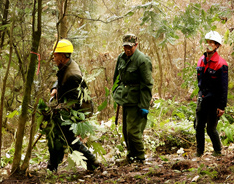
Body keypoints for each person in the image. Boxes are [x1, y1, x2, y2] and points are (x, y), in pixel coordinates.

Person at [44, 39, 100, 173]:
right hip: (68, 107)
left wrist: (58, 109)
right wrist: (55, 88)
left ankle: (92, 162)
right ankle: (52, 167)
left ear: (63, 56)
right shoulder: (66, 66)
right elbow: (60, 80)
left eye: (56, 54)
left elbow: (74, 102)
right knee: (57, 135)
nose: (54, 57)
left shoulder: (72, 75)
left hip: (79, 110)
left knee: (66, 136)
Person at [112, 33, 153, 164]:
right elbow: (116, 78)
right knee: (126, 131)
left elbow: (147, 84)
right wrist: (116, 92)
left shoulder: (142, 60)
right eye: (125, 47)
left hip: (137, 100)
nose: (127, 50)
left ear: (136, 45)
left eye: (130, 47)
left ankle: (140, 157)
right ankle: (131, 156)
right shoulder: (121, 58)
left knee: (133, 132)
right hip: (125, 99)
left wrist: (144, 105)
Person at [195, 30, 229, 157]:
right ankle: (199, 153)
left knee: (210, 129)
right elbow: (200, 81)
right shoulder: (201, 61)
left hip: (214, 101)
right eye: (207, 42)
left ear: (217, 46)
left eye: (211, 43)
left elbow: (223, 87)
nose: (208, 44)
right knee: (198, 126)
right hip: (202, 98)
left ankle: (218, 151)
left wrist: (222, 106)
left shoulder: (221, 64)